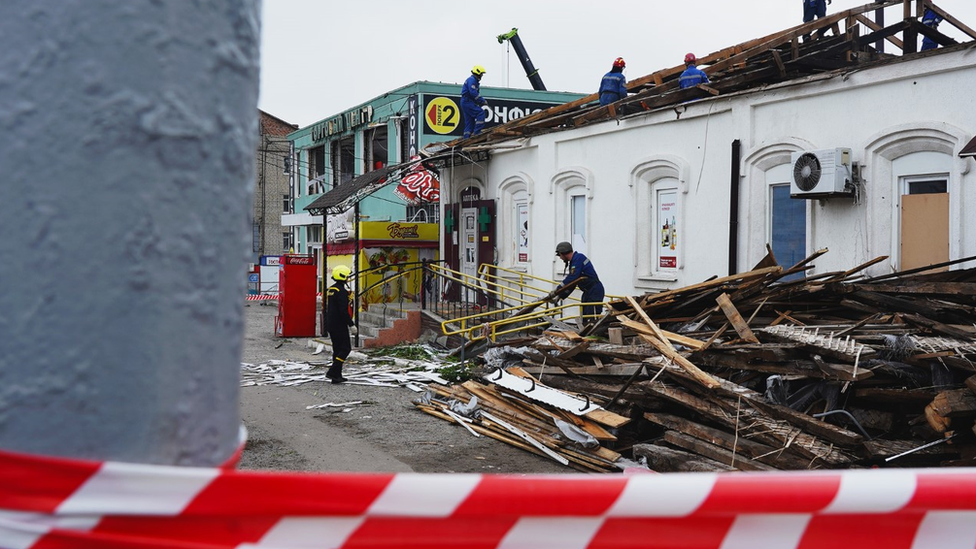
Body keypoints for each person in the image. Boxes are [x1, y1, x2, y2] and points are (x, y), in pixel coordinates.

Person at [554, 241, 605, 326]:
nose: (560, 258)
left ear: (563, 253)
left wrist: (557, 289)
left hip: (594, 291)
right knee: (585, 317)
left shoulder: (578, 258)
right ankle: (586, 333)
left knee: (592, 317)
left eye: (560, 255)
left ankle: (593, 336)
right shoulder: (574, 261)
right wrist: (560, 295)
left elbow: (572, 278)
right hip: (588, 292)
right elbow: (572, 284)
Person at [325, 265, 355, 384]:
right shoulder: (341, 291)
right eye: (347, 276)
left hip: (331, 324)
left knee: (337, 350)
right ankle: (333, 371)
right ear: (343, 276)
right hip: (339, 324)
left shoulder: (332, 289)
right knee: (346, 348)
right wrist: (351, 324)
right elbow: (343, 311)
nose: (348, 278)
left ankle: (336, 376)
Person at [461, 65, 488, 138]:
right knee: (480, 113)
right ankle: (477, 133)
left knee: (469, 121)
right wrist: (482, 100)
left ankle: (466, 137)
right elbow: (473, 93)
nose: (482, 76)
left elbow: (473, 94)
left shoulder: (472, 80)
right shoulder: (472, 80)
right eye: (481, 74)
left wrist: (480, 102)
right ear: (478, 73)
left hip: (466, 102)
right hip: (467, 102)